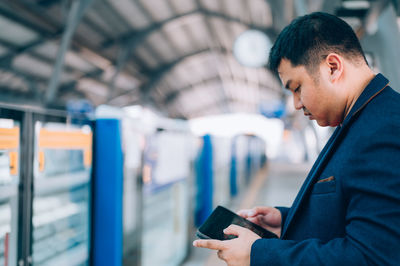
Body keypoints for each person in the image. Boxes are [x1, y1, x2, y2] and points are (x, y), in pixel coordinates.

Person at [193, 11, 400, 265]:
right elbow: (358, 211)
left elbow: (372, 257)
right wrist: (288, 220)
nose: (297, 104)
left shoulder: (384, 130)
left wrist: (258, 254)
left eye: (297, 87)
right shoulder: (362, 120)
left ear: (332, 67)